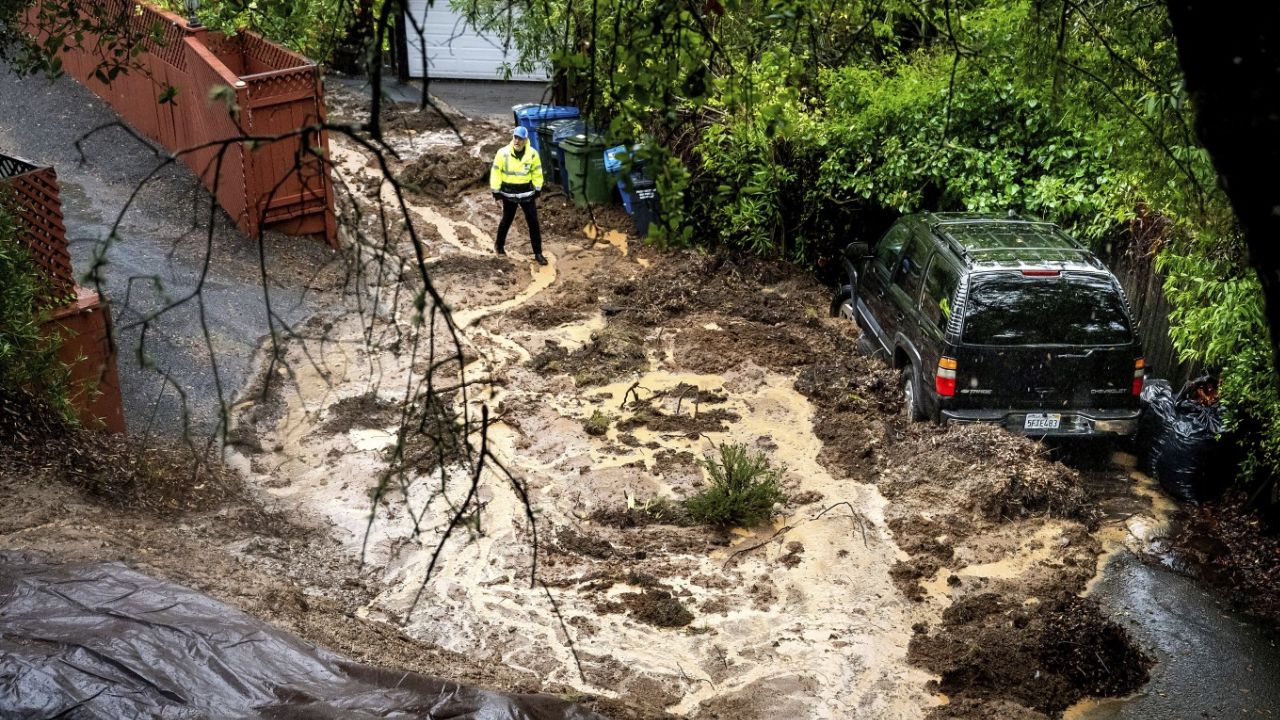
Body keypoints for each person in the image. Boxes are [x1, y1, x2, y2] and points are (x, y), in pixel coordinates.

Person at [489, 126, 546, 264]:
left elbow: (537, 173)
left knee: (533, 222)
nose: (517, 141)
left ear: (526, 140)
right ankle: (499, 246)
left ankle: (538, 253)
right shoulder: (502, 153)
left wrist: (537, 190)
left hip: (527, 194)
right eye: (515, 137)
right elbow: (496, 173)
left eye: (520, 138)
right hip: (509, 193)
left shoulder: (532, 154)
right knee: (507, 220)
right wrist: (496, 194)